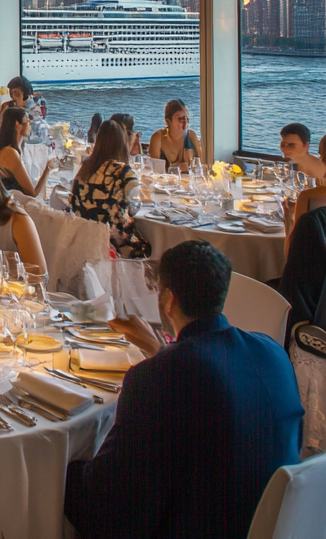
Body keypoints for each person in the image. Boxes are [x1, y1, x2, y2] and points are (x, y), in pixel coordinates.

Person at [65, 241, 304, 539]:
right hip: (275, 523)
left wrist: (63, 471)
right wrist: (159, 349)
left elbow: (114, 504)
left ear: (168, 300)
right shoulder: (274, 352)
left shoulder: (156, 378)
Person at [71, 120, 150, 258]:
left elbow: (74, 203)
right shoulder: (123, 172)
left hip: (87, 244)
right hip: (119, 246)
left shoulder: (85, 169)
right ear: (122, 145)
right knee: (151, 248)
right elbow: (134, 207)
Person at [0, 105, 52, 197]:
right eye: (27, 121)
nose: (29, 124)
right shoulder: (9, 153)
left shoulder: (9, 149)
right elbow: (32, 193)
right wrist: (47, 169)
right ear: (17, 124)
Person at [148, 99, 202, 168]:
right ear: (168, 121)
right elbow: (153, 171)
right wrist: (175, 168)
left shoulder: (191, 135)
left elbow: (201, 166)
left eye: (186, 118)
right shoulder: (158, 138)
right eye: (180, 118)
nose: (185, 122)